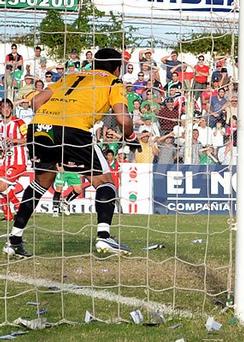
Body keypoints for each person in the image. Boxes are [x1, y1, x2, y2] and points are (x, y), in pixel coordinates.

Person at [3, 48, 141, 258]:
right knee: (105, 182)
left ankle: (14, 240)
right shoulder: (113, 82)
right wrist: (131, 138)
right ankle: (104, 236)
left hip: (39, 127)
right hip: (73, 130)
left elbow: (36, 102)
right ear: (117, 68)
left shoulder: (71, 76)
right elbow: (123, 119)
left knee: (41, 182)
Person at [0, 99, 27, 221]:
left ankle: (17, 206)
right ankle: (9, 214)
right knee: (2, 187)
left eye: (8, 107)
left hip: (18, 162)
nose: (5, 109)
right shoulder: (0, 124)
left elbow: (29, 138)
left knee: (1, 186)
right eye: (3, 107)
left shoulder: (19, 122)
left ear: (11, 109)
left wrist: (15, 140)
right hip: (5, 162)